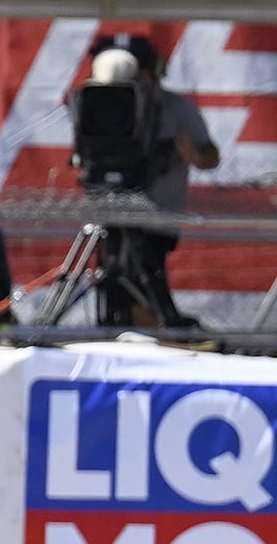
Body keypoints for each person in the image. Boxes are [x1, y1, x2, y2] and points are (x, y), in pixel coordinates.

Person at [77, 36, 219, 330]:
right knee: (115, 278)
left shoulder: (175, 109)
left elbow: (210, 155)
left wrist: (190, 153)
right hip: (109, 211)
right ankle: (125, 330)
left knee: (139, 277)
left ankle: (156, 331)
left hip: (157, 217)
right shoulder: (94, 103)